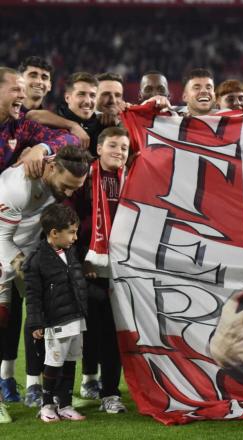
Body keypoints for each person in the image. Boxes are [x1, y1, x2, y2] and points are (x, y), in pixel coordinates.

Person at [0, 145, 91, 420]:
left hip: (26, 250)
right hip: (4, 248)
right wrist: (28, 272)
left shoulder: (52, 165)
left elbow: (65, 135)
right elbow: (2, 238)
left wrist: (41, 147)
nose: (69, 193)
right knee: (2, 319)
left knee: (45, 318)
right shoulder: (16, 188)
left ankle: (38, 389)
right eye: (66, 186)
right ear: (51, 169)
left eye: (76, 187)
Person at [68, 127, 129, 413]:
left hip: (123, 266)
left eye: (125, 148)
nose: (119, 152)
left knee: (113, 334)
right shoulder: (85, 178)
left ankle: (110, 393)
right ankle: (73, 388)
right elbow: (72, 220)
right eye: (113, 146)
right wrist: (81, 260)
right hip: (90, 265)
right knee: (91, 332)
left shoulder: (132, 177)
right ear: (100, 148)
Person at [25, 203, 88, 422]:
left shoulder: (70, 252)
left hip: (76, 317)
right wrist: (35, 323)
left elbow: (76, 281)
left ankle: (66, 404)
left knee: (71, 361)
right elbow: (32, 296)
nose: (75, 237)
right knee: (54, 362)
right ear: (54, 233)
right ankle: (47, 406)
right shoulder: (36, 260)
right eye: (71, 232)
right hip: (56, 322)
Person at [0, 67, 80, 176]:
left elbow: (72, 139)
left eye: (23, 90)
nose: (23, 96)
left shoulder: (21, 125)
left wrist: (41, 148)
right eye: (15, 89)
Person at [17, 57, 91, 150]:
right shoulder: (6, 113)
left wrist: (42, 149)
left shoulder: (55, 123)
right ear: (20, 80)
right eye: (33, 75)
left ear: (49, 86)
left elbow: (71, 139)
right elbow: (32, 115)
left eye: (44, 77)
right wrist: (73, 125)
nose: (39, 81)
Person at [56, 72, 104, 157]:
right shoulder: (52, 125)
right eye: (81, 94)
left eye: (92, 95)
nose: (87, 101)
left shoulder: (103, 126)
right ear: (67, 98)